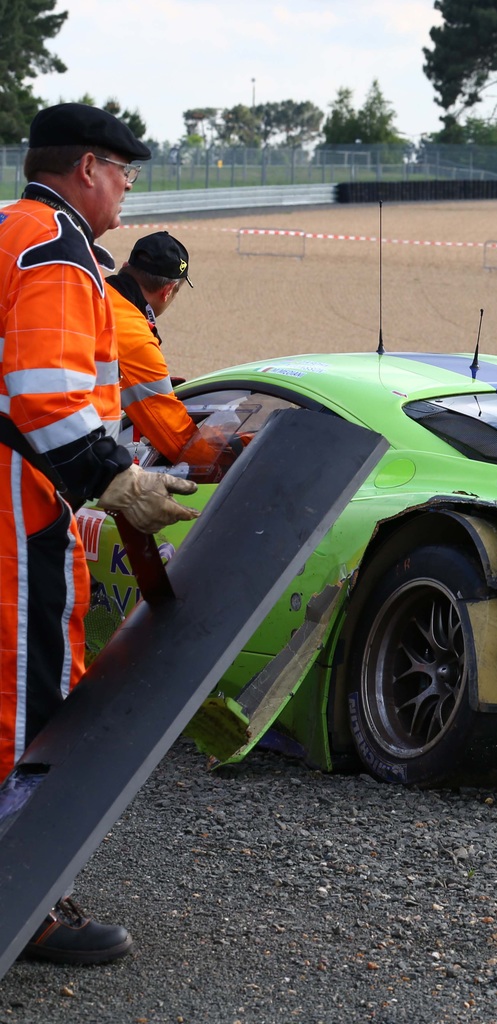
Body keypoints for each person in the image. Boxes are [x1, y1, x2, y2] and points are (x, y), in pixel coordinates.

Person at [0, 103, 200, 965]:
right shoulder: (57, 247)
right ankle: (25, 902)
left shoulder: (8, 229)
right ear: (88, 168)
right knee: (25, 701)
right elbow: (44, 392)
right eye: (124, 174)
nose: (125, 191)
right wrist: (114, 482)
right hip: (22, 508)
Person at [107, 232, 230, 475]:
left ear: (125, 267)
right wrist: (242, 449)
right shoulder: (133, 335)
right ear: (167, 291)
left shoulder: (90, 290)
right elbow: (180, 444)